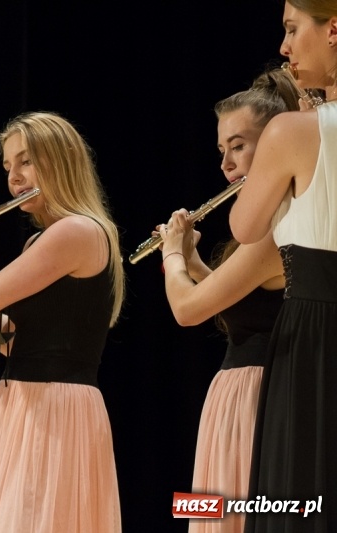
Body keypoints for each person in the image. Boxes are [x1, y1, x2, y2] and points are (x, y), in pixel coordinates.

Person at [157, 68, 298, 533]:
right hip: (236, 395)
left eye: (238, 145)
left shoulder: (278, 231)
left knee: (238, 519)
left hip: (256, 397)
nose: (226, 164)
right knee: (217, 516)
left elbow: (186, 310)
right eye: (222, 150)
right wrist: (196, 263)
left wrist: (174, 255)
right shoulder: (270, 228)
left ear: (277, 145)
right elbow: (243, 302)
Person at [0, 111, 125, 532]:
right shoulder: (40, 239)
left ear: (60, 161)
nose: (14, 177)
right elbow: (17, 336)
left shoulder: (77, 231)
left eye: (26, 161)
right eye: (8, 166)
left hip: (54, 407)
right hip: (24, 401)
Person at [228, 2, 337, 530]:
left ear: (333, 30)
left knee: (301, 492)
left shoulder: (293, 131)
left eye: (293, 30)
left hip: (315, 334)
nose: (284, 47)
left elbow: (245, 227)